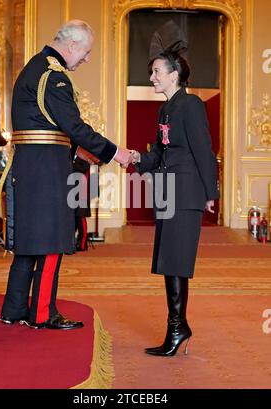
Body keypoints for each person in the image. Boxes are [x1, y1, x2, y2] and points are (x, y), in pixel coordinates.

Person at [0, 20, 132, 330]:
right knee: (52, 240)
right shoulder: (53, 75)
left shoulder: (34, 67)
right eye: (85, 52)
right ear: (72, 45)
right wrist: (116, 152)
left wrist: (79, 152)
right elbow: (74, 127)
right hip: (46, 172)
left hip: (31, 166)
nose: (85, 59)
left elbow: (46, 129)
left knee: (30, 241)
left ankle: (13, 309)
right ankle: (43, 314)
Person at [129, 48, 219, 356]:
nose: (152, 77)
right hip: (169, 191)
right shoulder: (165, 109)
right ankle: (178, 326)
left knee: (177, 261)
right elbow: (160, 155)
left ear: (174, 75)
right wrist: (137, 158)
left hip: (186, 191)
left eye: (156, 71)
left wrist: (210, 193)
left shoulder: (191, 105)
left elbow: (203, 149)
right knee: (170, 261)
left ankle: (177, 328)